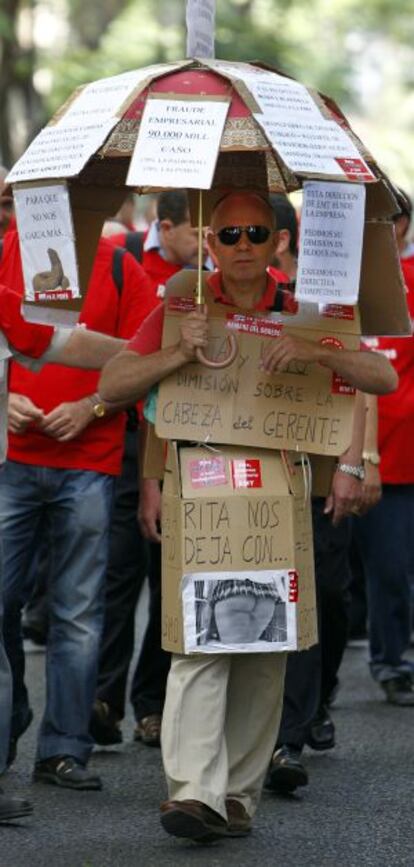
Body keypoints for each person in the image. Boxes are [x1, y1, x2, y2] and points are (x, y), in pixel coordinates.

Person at [99, 190, 397, 843]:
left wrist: (319, 353)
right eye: (228, 233)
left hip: (279, 497)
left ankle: (236, 792)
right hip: (198, 491)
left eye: (254, 234)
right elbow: (114, 386)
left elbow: (381, 375)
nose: (240, 245)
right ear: (210, 242)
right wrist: (178, 353)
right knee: (201, 641)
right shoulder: (181, 305)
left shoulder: (304, 307)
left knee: (265, 647)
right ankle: (193, 790)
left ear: (277, 244)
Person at [0, 229, 155, 794]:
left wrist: (91, 405)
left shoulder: (118, 266)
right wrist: (2, 398)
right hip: (9, 460)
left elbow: (145, 356)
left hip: (90, 461)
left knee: (78, 615)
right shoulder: (6, 251)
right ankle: (10, 720)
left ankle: (64, 748)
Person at [91, 190, 207, 749]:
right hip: (125, 437)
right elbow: (123, 362)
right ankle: (104, 698)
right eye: (201, 231)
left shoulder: (206, 278)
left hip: (175, 441)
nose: (212, 242)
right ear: (166, 226)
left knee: (167, 580)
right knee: (116, 577)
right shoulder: (130, 257)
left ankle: (151, 703)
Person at [351, 192, 414, 705]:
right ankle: (385, 662)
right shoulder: (340, 283)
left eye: (389, 221)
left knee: (398, 568)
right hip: (364, 457)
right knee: (379, 569)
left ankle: (395, 660)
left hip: (407, 455)